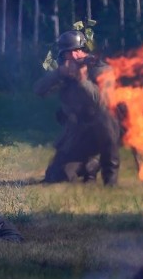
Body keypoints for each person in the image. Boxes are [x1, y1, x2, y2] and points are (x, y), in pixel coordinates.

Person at [34, 29, 120, 186]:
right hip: (78, 133)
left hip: (102, 131)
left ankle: (110, 176)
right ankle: (90, 166)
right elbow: (39, 90)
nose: (74, 56)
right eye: (69, 52)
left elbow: (103, 102)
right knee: (56, 176)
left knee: (108, 118)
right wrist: (59, 73)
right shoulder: (64, 72)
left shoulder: (101, 70)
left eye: (78, 51)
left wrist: (82, 80)